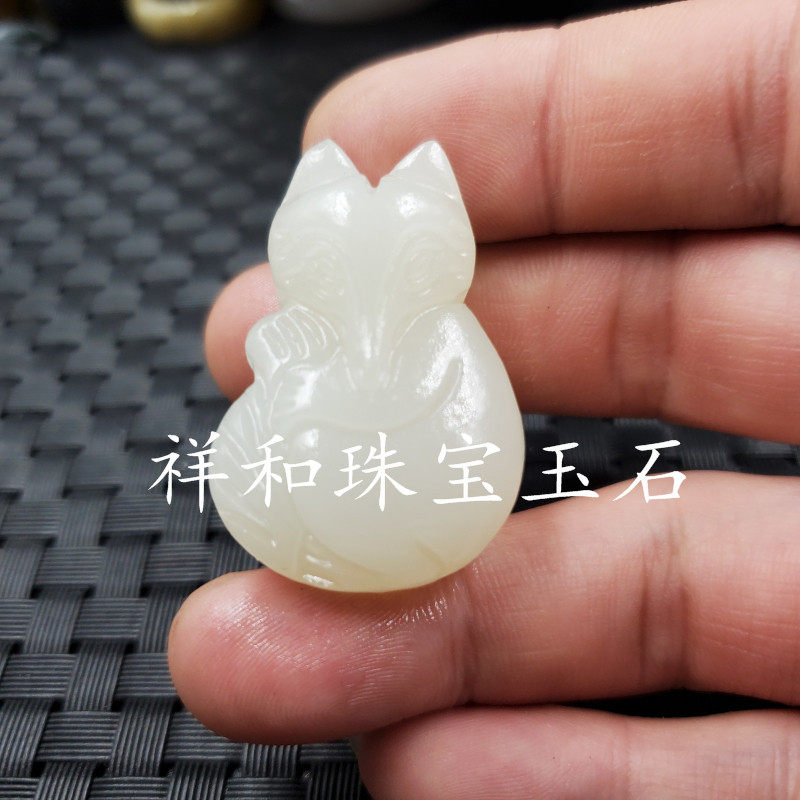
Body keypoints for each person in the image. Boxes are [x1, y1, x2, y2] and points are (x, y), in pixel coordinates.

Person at [168, 0, 800, 795]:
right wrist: (295, 385)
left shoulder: (445, 336)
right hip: (323, 499)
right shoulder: (302, 333)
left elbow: (429, 429)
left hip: (409, 505)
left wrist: (311, 391)